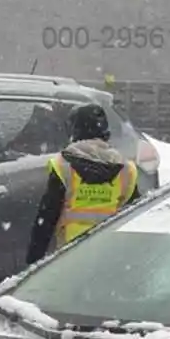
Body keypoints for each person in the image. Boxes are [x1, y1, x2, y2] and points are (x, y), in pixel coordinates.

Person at [26, 103, 140, 264]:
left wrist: (33, 261)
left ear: (74, 131)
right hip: (110, 255)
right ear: (105, 133)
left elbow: (46, 218)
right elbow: (136, 219)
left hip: (71, 255)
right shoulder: (126, 170)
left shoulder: (63, 166)